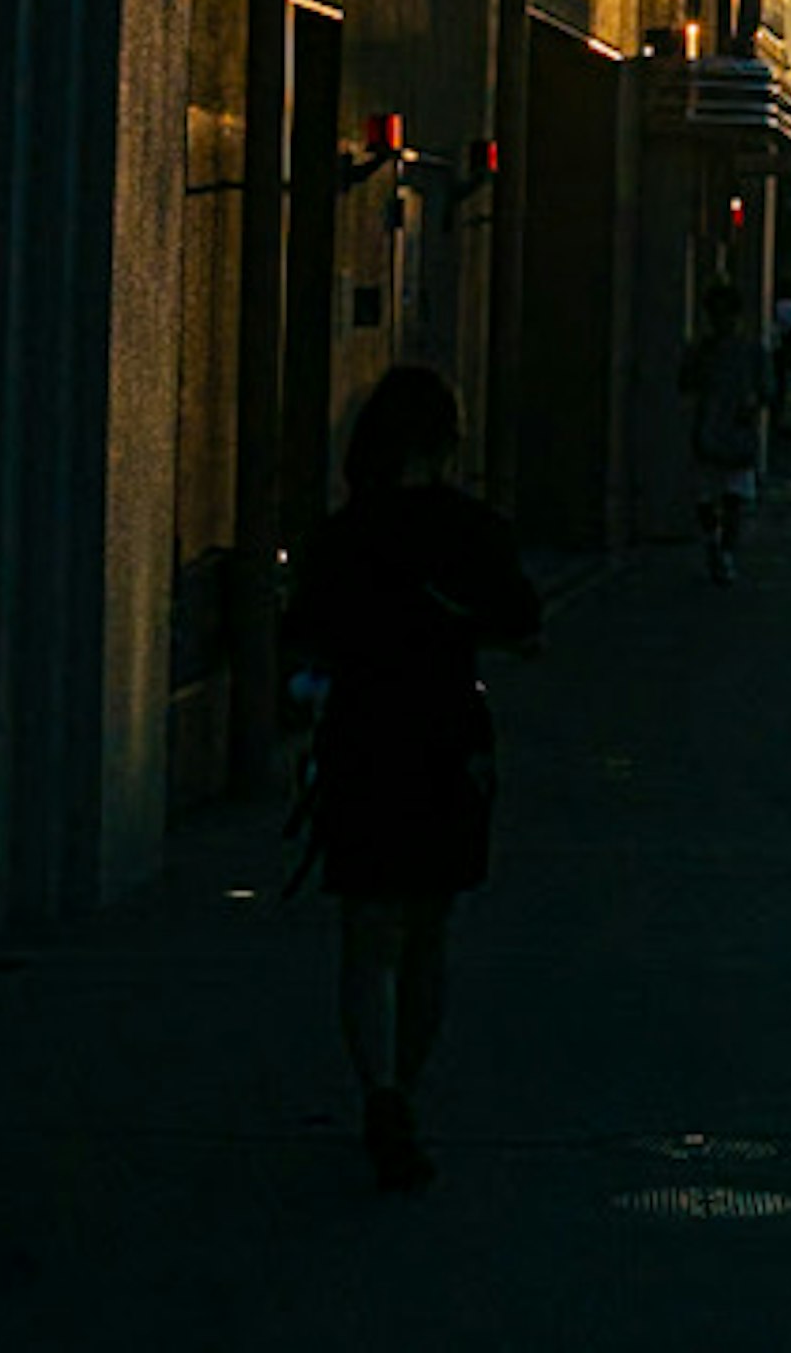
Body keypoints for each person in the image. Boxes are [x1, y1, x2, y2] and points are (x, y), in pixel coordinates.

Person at [282, 366, 543, 1191]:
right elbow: (521, 622)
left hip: (362, 732)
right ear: (443, 442)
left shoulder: (343, 534)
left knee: (368, 929)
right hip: (446, 735)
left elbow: (304, 637)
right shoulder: (471, 531)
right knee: (429, 928)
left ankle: (380, 1088)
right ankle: (407, 1093)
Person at [678, 283, 777, 584]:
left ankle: (721, 549)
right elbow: (767, 390)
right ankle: (721, 549)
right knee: (722, 496)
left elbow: (685, 384)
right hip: (728, 432)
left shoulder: (713, 351)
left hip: (718, 430)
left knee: (723, 496)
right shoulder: (744, 351)